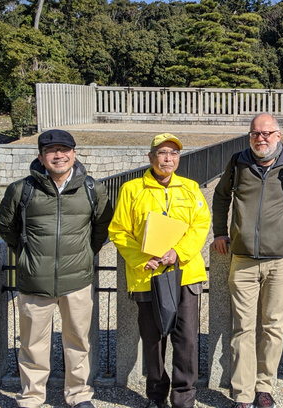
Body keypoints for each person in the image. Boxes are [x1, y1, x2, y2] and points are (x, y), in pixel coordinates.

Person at [211, 113, 283, 408]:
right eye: (255, 134)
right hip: (243, 256)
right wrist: (220, 232)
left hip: (279, 258)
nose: (260, 139)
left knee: (273, 324)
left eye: (266, 133)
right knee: (242, 328)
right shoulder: (238, 162)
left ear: (278, 135)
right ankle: (243, 392)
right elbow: (221, 197)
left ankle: (264, 386)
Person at [0, 129, 113, 408]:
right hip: (35, 281)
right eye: (51, 150)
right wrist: (26, 256)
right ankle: (32, 397)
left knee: (78, 343)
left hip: (78, 280)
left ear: (74, 154)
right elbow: (5, 226)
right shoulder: (21, 189)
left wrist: (86, 253)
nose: (58, 155)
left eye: (64, 150)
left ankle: (79, 395)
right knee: (32, 345)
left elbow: (102, 227)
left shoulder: (91, 188)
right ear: (41, 156)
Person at [109, 133, 211, 408]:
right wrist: (141, 257)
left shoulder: (190, 188)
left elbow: (201, 225)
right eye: (163, 153)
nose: (168, 159)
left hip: (184, 273)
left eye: (174, 153)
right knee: (152, 342)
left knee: (186, 339)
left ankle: (184, 398)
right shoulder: (132, 189)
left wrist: (178, 252)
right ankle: (156, 396)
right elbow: (118, 230)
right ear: (151, 157)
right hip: (147, 274)